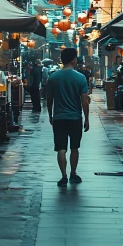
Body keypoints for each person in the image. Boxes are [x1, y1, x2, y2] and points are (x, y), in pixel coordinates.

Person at [46, 48, 90, 186]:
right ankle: (73, 173)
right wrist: (87, 118)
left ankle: (63, 176)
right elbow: (84, 100)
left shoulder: (53, 77)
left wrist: (50, 115)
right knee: (74, 147)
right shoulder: (80, 78)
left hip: (59, 118)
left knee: (61, 148)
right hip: (75, 118)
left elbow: (49, 99)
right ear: (73, 60)